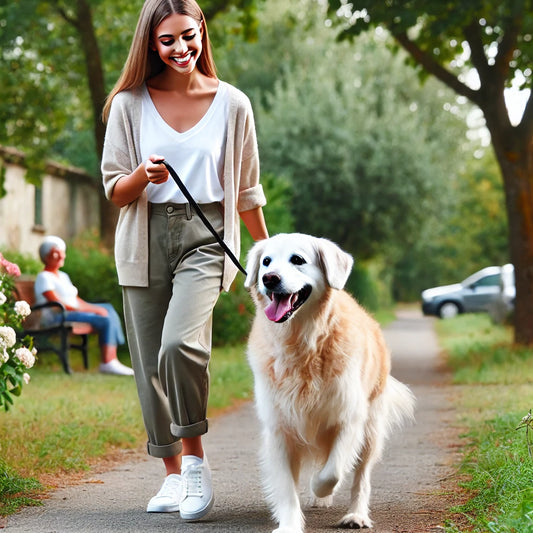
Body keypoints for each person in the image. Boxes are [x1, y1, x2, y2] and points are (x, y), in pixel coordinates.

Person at [101, 0, 269, 522]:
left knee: (179, 345)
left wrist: (266, 261)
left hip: (208, 236)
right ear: (151, 43)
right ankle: (171, 476)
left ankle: (195, 464)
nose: (180, 48)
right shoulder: (128, 104)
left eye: (188, 36)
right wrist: (140, 177)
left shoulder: (233, 104)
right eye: (168, 40)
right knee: (149, 365)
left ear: (202, 34)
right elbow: (114, 189)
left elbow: (246, 192)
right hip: (143, 238)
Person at [34, 236, 134, 376]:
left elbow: (76, 300)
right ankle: (108, 362)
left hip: (69, 313)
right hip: (57, 317)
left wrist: (95, 308)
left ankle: (112, 359)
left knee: (107, 309)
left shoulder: (63, 276)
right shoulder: (44, 277)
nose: (61, 255)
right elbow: (58, 305)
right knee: (104, 319)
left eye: (61, 251)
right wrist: (94, 310)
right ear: (46, 255)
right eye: (56, 252)